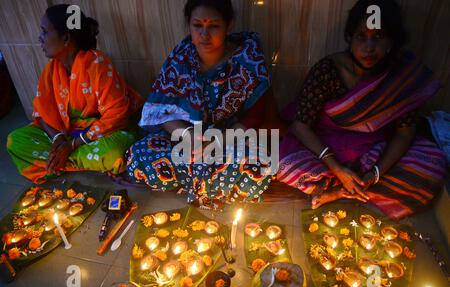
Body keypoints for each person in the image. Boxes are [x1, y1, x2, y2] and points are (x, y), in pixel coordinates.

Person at [277, 0, 447, 220]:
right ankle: (345, 188)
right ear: (350, 37)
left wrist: (374, 174)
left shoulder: (401, 76)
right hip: (324, 148)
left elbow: (405, 133)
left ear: (392, 40)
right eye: (361, 36)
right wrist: (337, 168)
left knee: (431, 166)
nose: (368, 47)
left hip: (373, 150)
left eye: (378, 37)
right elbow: (300, 127)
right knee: (279, 160)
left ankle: (341, 190)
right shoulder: (329, 69)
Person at [126, 0, 282, 210]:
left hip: (231, 140)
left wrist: (217, 141)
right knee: (139, 156)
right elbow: (162, 111)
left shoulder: (247, 60)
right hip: (187, 139)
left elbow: (255, 119)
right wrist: (187, 136)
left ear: (229, 25)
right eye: (197, 25)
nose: (204, 34)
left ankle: (194, 182)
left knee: (260, 165)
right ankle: (209, 184)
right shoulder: (181, 57)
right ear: (189, 25)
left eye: (214, 26)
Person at [7, 4, 142, 184]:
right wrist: (58, 139)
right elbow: (41, 113)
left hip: (100, 135)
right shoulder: (51, 70)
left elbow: (117, 117)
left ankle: (56, 163)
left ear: (65, 37)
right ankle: (79, 162)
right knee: (15, 141)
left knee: (115, 152)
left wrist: (72, 145)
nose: (40, 38)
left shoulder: (98, 65)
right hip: (68, 134)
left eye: (45, 32)